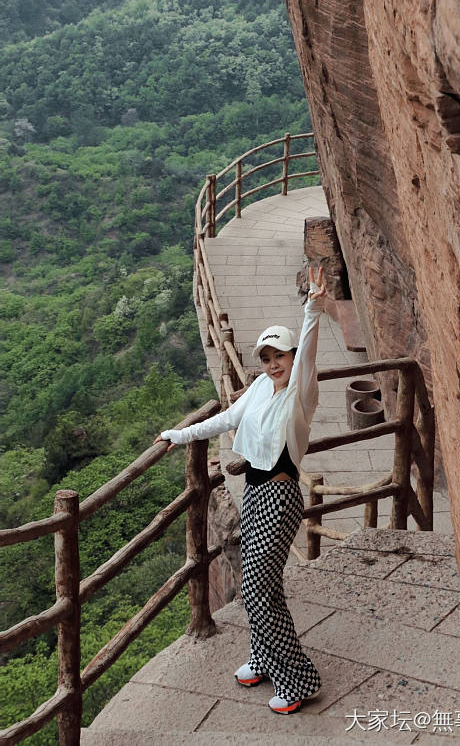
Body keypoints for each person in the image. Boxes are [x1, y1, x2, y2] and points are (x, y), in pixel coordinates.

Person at [154, 266, 327, 714]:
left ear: (292, 356)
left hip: (281, 497)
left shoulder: (300, 392)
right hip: (254, 493)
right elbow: (225, 420)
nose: (274, 364)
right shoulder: (259, 389)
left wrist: (313, 307)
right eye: (267, 358)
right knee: (263, 588)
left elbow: (308, 351)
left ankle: (298, 679)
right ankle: (267, 657)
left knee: (254, 589)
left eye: (280, 357)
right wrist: (179, 434)